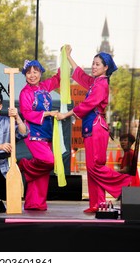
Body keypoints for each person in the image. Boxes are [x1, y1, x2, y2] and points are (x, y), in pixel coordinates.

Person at [56, 45, 132, 213]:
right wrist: (68, 57)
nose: (94, 66)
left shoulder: (101, 84)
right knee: (92, 167)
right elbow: (81, 76)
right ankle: (97, 204)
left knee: (95, 166)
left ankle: (124, 182)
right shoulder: (95, 82)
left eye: (98, 64)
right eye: (93, 63)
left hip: (97, 127)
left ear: (106, 67)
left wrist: (66, 114)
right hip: (92, 127)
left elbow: (88, 104)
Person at [18, 59, 61, 211]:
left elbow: (58, 79)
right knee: (48, 161)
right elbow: (27, 113)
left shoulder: (44, 87)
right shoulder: (25, 92)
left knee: (41, 174)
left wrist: (65, 58)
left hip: (47, 132)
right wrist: (49, 113)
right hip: (33, 133)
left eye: (35, 71)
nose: (32, 75)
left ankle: (35, 203)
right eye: (28, 72)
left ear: (41, 73)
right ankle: (24, 164)